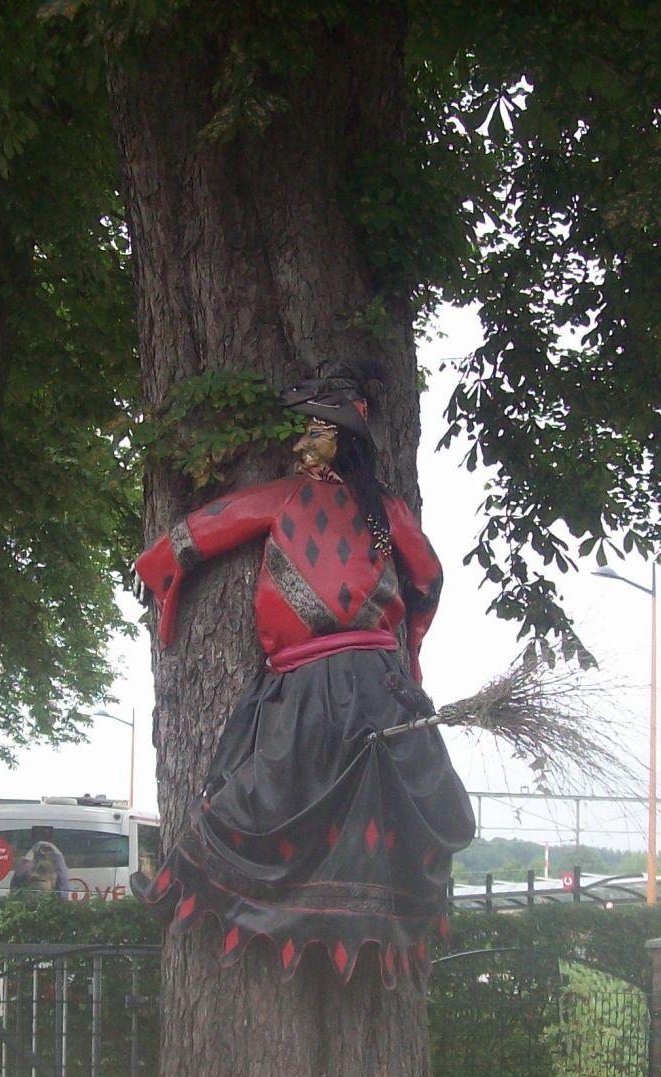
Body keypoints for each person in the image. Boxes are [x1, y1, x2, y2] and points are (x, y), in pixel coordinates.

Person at [131, 370, 474, 986]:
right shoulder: (327, 503)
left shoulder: (379, 512)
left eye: (316, 434)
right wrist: (163, 560)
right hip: (340, 678)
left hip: (352, 679)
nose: (302, 446)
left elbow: (427, 576)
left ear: (342, 441)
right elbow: (221, 520)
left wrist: (412, 645)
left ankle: (215, 890)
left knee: (299, 787)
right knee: (279, 785)